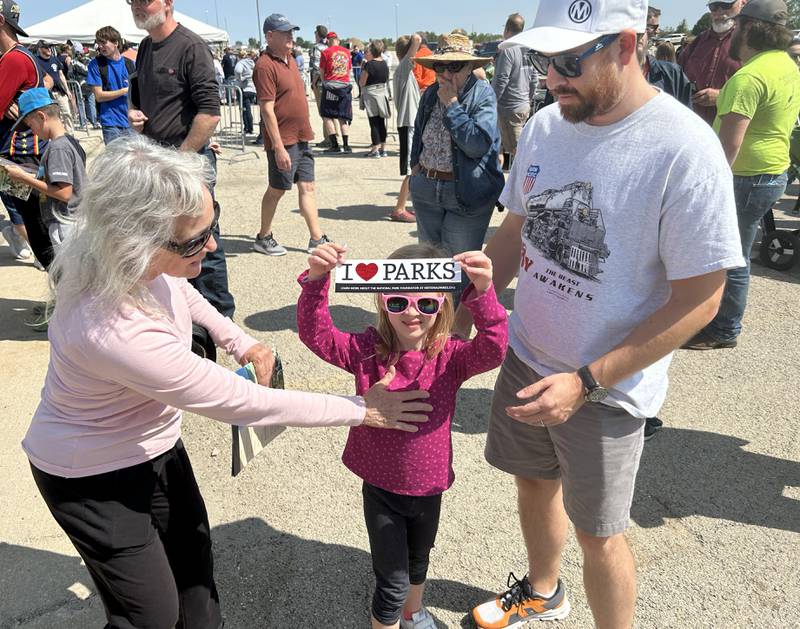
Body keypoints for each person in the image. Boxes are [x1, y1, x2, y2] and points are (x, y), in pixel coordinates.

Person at [22, 135, 432, 629]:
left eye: (211, 227)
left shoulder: (137, 261)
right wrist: (362, 408)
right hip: (89, 474)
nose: (213, 245)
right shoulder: (110, 330)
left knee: (196, 578)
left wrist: (243, 342)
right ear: (135, 240)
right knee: (149, 614)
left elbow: (179, 291)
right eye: (196, 240)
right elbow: (242, 402)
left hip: (155, 447)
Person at [459, 1, 745, 627]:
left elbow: (702, 298)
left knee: (600, 534)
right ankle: (543, 590)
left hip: (607, 390)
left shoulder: (684, 148)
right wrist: (462, 306)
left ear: (624, 44)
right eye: (543, 61)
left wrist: (587, 381)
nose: (551, 78)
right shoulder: (544, 125)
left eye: (567, 61)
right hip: (529, 354)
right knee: (531, 483)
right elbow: (515, 230)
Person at [297, 242, 507, 629]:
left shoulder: (452, 355)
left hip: (429, 486)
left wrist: (483, 293)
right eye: (398, 303)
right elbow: (318, 336)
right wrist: (316, 281)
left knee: (419, 559)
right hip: (381, 488)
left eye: (426, 304)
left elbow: (494, 349)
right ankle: (396, 613)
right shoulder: (366, 351)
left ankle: (414, 611)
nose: (412, 313)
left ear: (442, 304)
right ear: (382, 300)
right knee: (391, 584)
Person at [684, 0, 800, 351]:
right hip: (772, 171)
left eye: (737, 24)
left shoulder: (748, 77)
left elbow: (727, 148)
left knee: (731, 256)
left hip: (744, 176)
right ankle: (718, 321)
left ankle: (724, 329)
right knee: (737, 251)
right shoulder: (786, 65)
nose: (731, 30)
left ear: (749, 28)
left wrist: (705, 187)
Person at [128, 0, 235, 322]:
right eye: (131, 1)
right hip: (157, 164)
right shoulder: (146, 47)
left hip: (186, 162)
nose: (137, 6)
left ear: (168, 3)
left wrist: (179, 159)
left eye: (144, 0)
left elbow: (209, 113)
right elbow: (138, 94)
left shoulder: (190, 47)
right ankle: (182, 316)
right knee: (165, 241)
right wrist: (134, 113)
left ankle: (219, 320)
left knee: (201, 241)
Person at [410, 31, 504, 301]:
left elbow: (476, 144)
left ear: (470, 66)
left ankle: (452, 334)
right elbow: (418, 131)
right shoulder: (430, 94)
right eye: (441, 65)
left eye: (455, 66)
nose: (446, 72)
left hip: (465, 194)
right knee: (429, 263)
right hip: (427, 187)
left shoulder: (482, 95)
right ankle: (431, 320)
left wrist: (452, 104)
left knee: (457, 270)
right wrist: (415, 166)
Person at [253, 13, 330, 257]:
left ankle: (316, 238)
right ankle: (263, 236)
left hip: (302, 137)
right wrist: (277, 147)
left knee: (308, 186)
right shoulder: (265, 65)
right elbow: (266, 109)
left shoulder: (291, 60)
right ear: (270, 36)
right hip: (283, 141)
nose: (290, 37)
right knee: (277, 189)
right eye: (285, 33)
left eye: (291, 32)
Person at [0, 0, 53, 270]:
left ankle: (64, 289)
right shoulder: (21, 55)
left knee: (35, 223)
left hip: (19, 153)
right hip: (21, 151)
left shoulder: (14, 59)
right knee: (32, 220)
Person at [3, 88, 85, 254]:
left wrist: (24, 178)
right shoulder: (68, 141)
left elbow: (64, 193)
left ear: (41, 117)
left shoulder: (57, 148)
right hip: (75, 219)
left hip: (66, 223)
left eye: (30, 125)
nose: (32, 131)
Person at [678, 0, 744, 125]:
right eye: (714, 7)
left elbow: (759, 87)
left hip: (729, 128)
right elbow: (677, 76)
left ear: (742, 3)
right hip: (693, 125)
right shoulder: (696, 43)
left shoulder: (749, 43)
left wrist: (721, 97)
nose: (719, 12)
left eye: (726, 5)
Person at [493, 13, 533, 168]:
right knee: (510, 148)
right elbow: (534, 77)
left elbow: (501, 79)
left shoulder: (507, 49)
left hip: (509, 107)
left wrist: (491, 101)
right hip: (523, 105)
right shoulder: (527, 49)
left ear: (507, 29)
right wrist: (527, 99)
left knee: (517, 151)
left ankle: (523, 187)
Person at [391, 33, 422, 223]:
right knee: (411, 170)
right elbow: (417, 40)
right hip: (407, 124)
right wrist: (415, 40)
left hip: (412, 123)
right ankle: (399, 208)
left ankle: (407, 204)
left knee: (416, 168)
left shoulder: (407, 73)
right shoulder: (403, 69)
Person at [87, 26, 135, 145]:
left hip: (131, 121)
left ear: (116, 43)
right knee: (115, 161)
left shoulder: (131, 64)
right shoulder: (95, 65)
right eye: (98, 43)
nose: (100, 46)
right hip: (111, 123)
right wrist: (124, 91)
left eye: (103, 43)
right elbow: (99, 96)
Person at [638, 7, 694, 109]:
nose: (657, 32)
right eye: (652, 27)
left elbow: (687, 117)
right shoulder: (608, 74)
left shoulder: (673, 74)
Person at [319, 31, 354, 153]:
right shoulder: (347, 52)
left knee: (327, 115)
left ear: (328, 41)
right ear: (338, 40)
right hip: (344, 86)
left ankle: (334, 145)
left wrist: (324, 83)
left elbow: (322, 71)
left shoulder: (325, 52)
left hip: (330, 85)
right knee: (342, 117)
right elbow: (348, 70)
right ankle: (346, 145)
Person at [34, 41, 75, 135]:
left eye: (49, 47)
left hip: (60, 92)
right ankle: (59, 135)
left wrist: (67, 90)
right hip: (47, 94)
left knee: (67, 113)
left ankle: (71, 134)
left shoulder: (55, 59)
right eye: (46, 47)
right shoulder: (36, 61)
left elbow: (61, 75)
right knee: (54, 117)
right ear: (40, 49)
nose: (49, 49)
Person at [360, 40, 391, 158]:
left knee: (373, 122)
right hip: (382, 93)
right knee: (381, 121)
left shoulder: (369, 64)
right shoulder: (384, 63)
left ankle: (375, 149)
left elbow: (362, 82)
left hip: (371, 94)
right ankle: (383, 148)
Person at [310, 25, 330, 148]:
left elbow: (317, 67)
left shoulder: (316, 48)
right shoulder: (328, 47)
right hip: (329, 81)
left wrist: (314, 82)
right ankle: (332, 135)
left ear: (317, 34)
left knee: (323, 111)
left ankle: (328, 138)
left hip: (320, 82)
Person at [235, 48, 257, 135]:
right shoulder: (252, 63)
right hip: (252, 88)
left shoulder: (240, 63)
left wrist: (239, 79)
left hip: (244, 88)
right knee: (248, 109)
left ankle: (248, 128)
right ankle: (248, 127)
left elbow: (238, 70)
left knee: (245, 109)